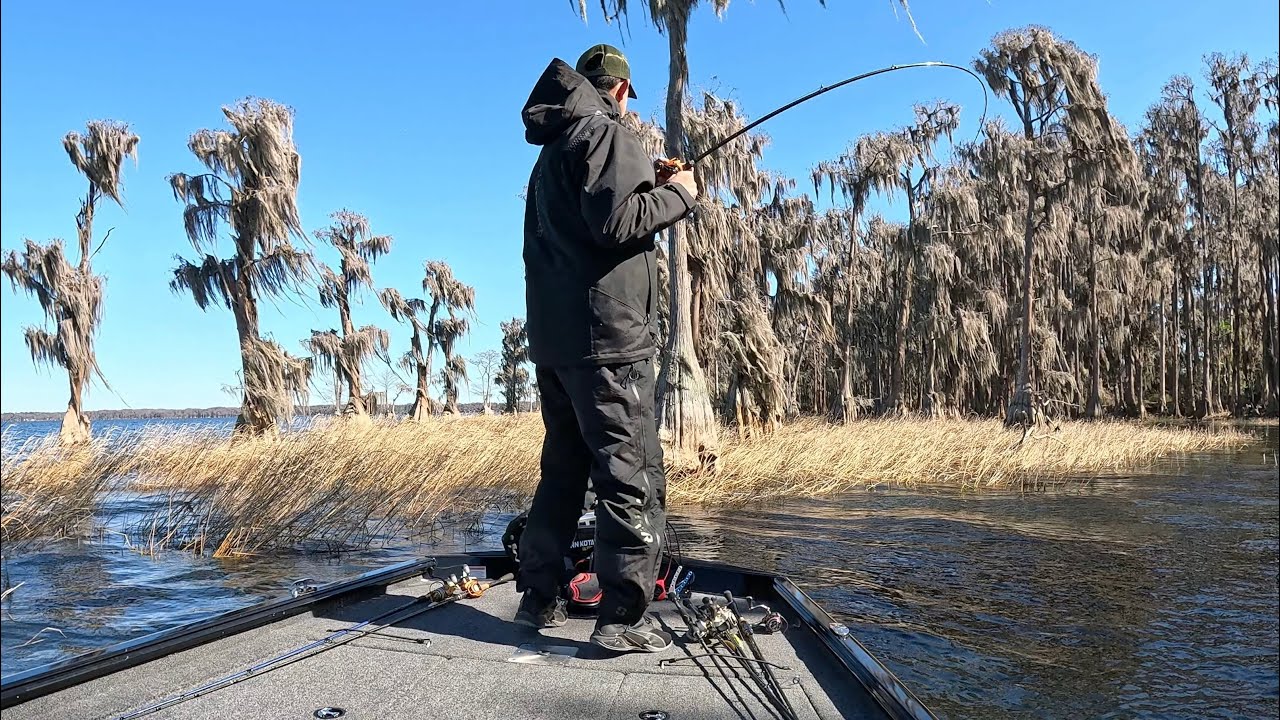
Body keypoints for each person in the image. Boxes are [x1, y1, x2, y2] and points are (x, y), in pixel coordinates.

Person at [516, 43, 699, 653]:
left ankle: (537, 596)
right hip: (609, 343)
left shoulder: (551, 154)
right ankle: (622, 619)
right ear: (619, 90)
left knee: (563, 473)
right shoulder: (604, 133)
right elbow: (617, 224)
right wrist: (683, 195)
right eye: (627, 97)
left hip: (557, 344)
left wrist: (650, 179)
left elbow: (595, 217)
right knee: (630, 475)